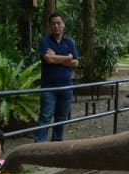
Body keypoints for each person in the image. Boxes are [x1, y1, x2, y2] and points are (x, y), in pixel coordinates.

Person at [34, 12, 79, 143]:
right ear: (49, 25)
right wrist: (67, 58)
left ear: (63, 25)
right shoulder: (45, 41)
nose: (56, 26)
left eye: (58, 23)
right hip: (49, 87)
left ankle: (57, 143)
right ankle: (39, 146)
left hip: (66, 86)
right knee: (45, 116)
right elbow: (48, 59)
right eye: (53, 23)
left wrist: (56, 58)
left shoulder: (69, 42)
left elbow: (76, 63)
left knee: (61, 117)